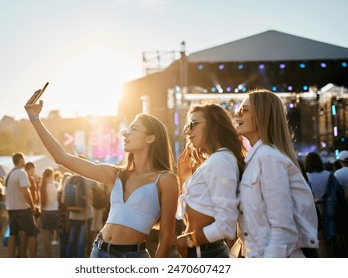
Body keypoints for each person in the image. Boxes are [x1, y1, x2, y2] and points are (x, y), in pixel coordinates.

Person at [24, 100, 178, 258]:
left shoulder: (166, 179)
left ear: (150, 139)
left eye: (134, 129)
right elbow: (61, 157)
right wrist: (35, 119)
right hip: (99, 251)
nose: (125, 133)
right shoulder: (116, 174)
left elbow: (166, 237)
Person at [234, 89, 318, 258]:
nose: (237, 115)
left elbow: (282, 228)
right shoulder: (259, 157)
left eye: (245, 110)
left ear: (262, 115)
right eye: (238, 110)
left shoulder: (268, 157)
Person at [175, 104, 246, 258]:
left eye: (193, 124)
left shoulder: (221, 160)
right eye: (187, 126)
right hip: (201, 250)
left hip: (206, 252)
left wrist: (188, 240)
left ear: (214, 126)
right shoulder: (216, 160)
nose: (187, 131)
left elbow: (226, 225)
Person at [5, 152, 37, 258]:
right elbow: (25, 192)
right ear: (20, 160)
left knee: (13, 234)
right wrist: (32, 207)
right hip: (22, 208)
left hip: (11, 208)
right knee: (32, 234)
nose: (25, 161)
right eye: (24, 159)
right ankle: (33, 259)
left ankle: (11, 257)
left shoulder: (8, 174)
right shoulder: (21, 173)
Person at [39, 167, 59, 257]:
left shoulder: (42, 186)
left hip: (45, 211)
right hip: (55, 211)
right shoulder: (56, 185)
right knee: (57, 233)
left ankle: (48, 254)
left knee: (45, 234)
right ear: (52, 175)